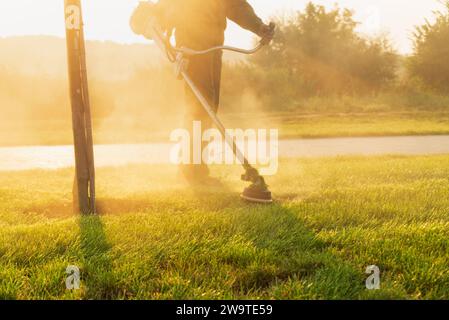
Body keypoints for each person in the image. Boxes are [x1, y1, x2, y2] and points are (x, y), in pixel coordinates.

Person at [131, 0, 274, 185]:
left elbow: (237, 6)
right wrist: (146, 19)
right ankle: (191, 169)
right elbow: (161, 14)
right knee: (200, 110)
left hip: (214, 51)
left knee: (209, 108)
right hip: (192, 52)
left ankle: (194, 167)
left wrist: (258, 26)